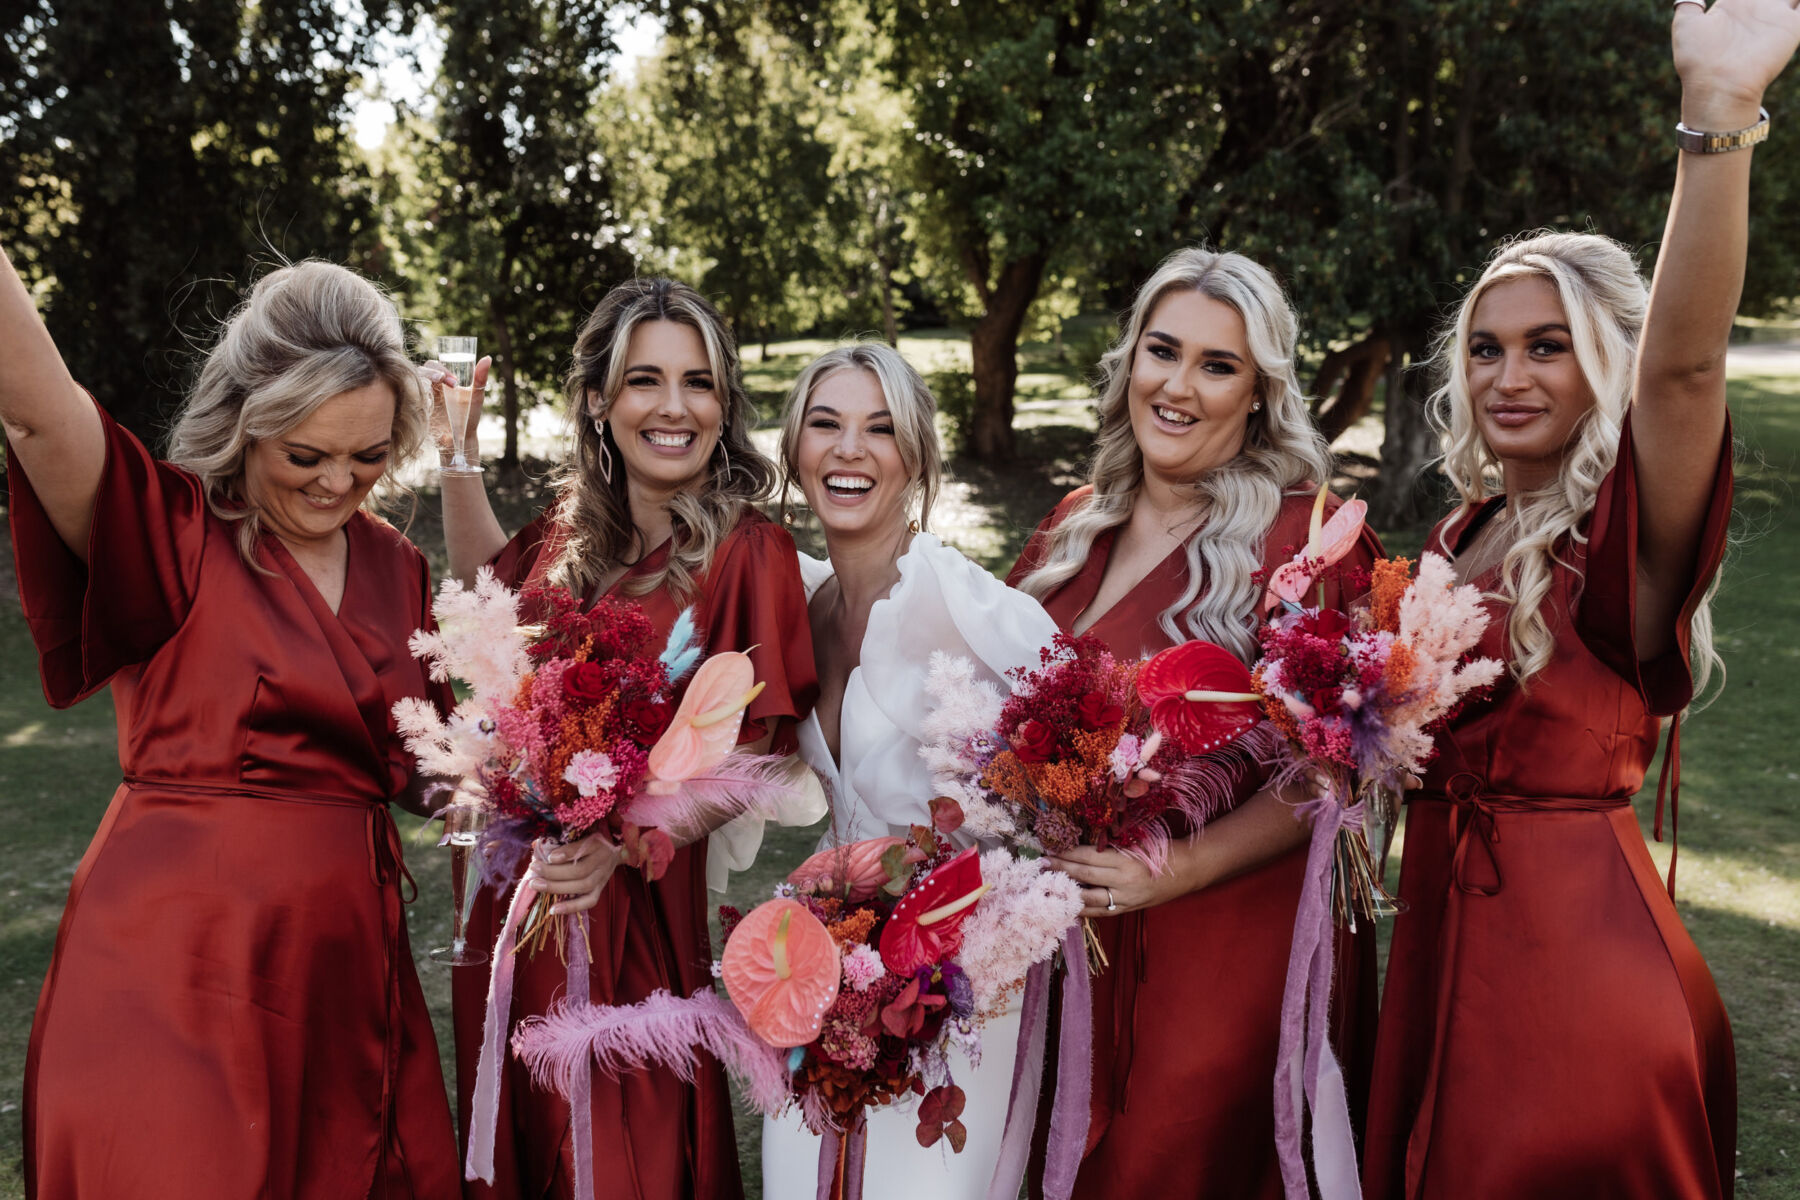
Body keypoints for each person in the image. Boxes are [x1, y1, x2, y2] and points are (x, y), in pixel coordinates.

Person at [1360, 4, 1797, 1195]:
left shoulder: (1625, 537)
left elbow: (1689, 364)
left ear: (1606, 360)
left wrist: (1717, 115)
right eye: (1487, 348)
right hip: (1446, 952)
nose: (1509, 375)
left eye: (1549, 346)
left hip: (1572, 988)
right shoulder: (1460, 533)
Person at [2, 250, 459, 1198]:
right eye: (306, 454)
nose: (339, 482)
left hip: (344, 976)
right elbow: (39, 410)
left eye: (369, 456)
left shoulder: (397, 570)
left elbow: (442, 772)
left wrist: (573, 778)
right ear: (246, 425)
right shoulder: (166, 531)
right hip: (172, 971)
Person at [1007, 246, 1382, 1199]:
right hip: (1060, 936)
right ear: (1129, 359)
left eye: (1218, 366)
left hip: (1222, 947)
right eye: (1161, 351)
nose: (1179, 386)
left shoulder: (1309, 541)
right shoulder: (1071, 528)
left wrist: (1170, 870)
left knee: (1170, 1164)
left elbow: (1345, 773)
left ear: (1260, 393)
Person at [435, 277, 819, 1200]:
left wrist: (620, 843)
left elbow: (752, 754)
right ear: (600, 403)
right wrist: (455, 453)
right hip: (518, 908)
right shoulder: (568, 540)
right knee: (533, 1140)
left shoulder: (746, 552)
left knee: (629, 1151)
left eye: (700, 383)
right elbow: (486, 596)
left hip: (634, 908)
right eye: (645, 380)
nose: (674, 407)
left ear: (724, 406)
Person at [756, 343, 1062, 1196]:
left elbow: (1081, 773)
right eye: (827, 424)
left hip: (955, 990)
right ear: (795, 449)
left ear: (917, 456)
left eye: (880, 429)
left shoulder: (973, 609)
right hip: (825, 972)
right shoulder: (796, 602)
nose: (849, 449)